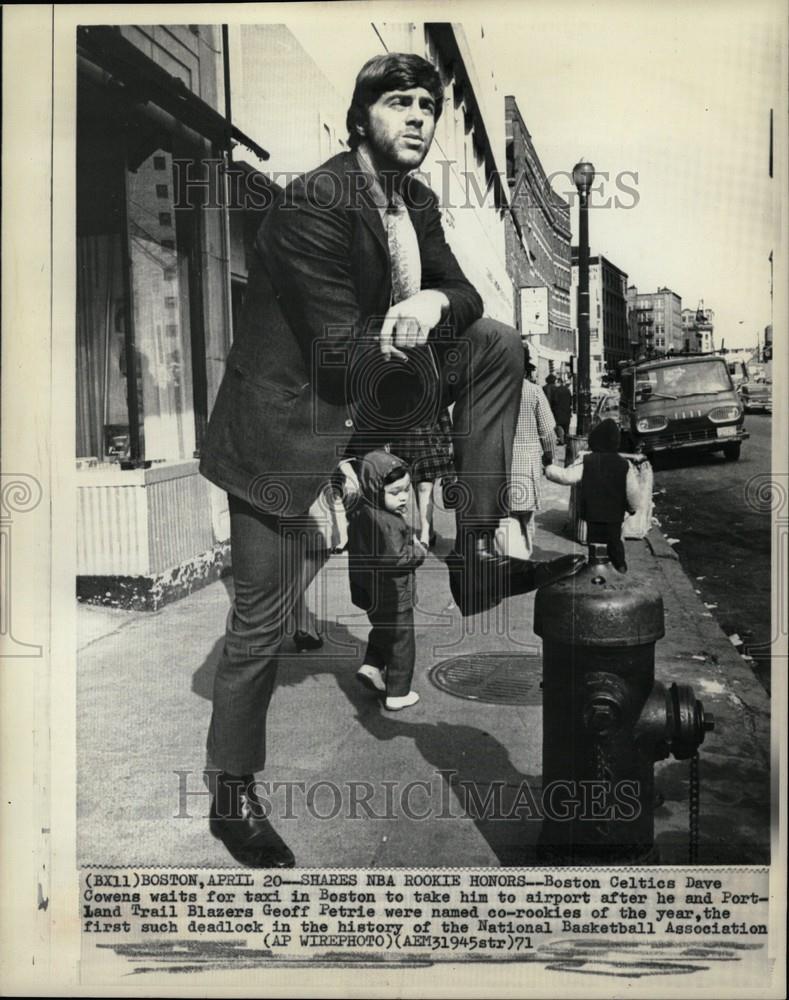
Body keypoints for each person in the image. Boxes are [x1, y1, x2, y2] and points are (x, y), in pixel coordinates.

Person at [199, 52, 583, 867]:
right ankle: (231, 796)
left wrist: (433, 299)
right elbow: (341, 352)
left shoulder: (416, 201)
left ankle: (478, 548)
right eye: (398, 102)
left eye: (428, 105)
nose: (417, 116)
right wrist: (413, 436)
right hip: (282, 429)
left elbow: (467, 297)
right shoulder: (316, 202)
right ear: (360, 114)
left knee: (494, 344)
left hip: (362, 400)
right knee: (261, 629)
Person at [348, 450, 426, 710]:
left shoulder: (363, 512)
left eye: (405, 490)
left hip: (370, 591)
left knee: (383, 629)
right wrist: (418, 552)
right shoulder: (388, 522)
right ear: (375, 489)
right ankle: (398, 691)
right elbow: (396, 559)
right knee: (402, 640)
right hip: (393, 593)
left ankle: (371, 666)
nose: (403, 497)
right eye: (395, 492)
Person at [544, 418, 640, 571]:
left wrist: (548, 469)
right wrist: (632, 508)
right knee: (615, 539)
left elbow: (567, 476)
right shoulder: (624, 464)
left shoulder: (587, 461)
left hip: (592, 513)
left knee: (594, 540)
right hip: (615, 514)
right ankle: (619, 565)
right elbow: (632, 491)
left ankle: (595, 566)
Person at [496, 350, 556, 559]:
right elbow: (548, 432)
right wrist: (549, 456)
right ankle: (525, 557)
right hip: (528, 463)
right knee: (526, 517)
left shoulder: (494, 392)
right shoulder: (533, 391)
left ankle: (510, 557)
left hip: (500, 463)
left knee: (505, 514)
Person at [552, 378, 573, 446]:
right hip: (566, 412)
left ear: (558, 382)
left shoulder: (556, 391)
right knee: (566, 429)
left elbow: (555, 401)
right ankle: (567, 443)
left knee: (559, 428)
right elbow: (570, 401)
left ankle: (561, 442)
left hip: (559, 413)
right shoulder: (567, 390)